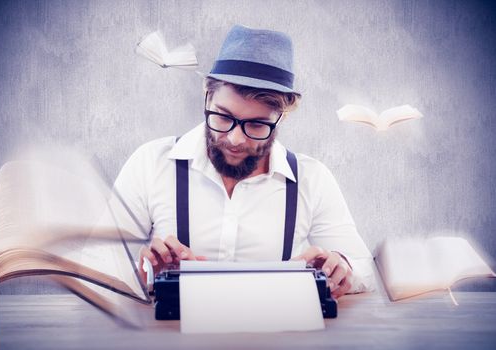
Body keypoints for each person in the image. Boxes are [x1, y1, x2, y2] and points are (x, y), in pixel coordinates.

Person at [114, 25, 375, 299]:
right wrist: (143, 273)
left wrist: (342, 268)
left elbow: (364, 268)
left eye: (257, 125)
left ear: (281, 117)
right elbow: (94, 263)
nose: (236, 139)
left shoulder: (312, 179)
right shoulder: (151, 163)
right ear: (207, 94)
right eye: (224, 117)